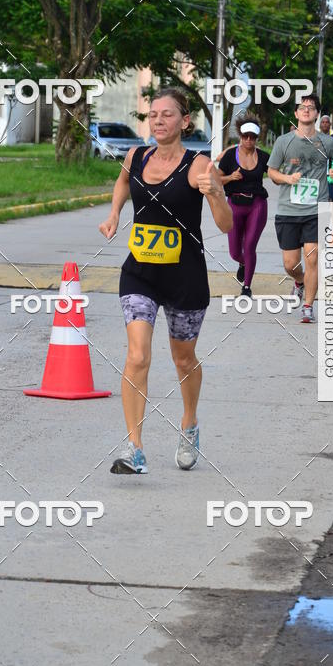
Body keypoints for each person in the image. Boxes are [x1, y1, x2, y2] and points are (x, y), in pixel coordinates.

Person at [98, 87, 232, 475]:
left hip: (185, 276)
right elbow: (124, 184)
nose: (158, 120)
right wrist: (113, 214)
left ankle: (189, 423)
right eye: (153, 114)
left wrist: (216, 195)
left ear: (185, 121)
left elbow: (225, 224)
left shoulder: (198, 165)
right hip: (140, 271)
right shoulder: (136, 156)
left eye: (167, 114)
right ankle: (134, 449)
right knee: (137, 355)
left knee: (183, 358)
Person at [267, 93, 333, 323]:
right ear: (296, 113)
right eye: (302, 107)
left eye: (311, 107)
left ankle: (308, 306)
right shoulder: (284, 142)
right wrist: (286, 178)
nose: (306, 110)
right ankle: (299, 281)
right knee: (291, 264)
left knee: (312, 258)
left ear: (317, 114)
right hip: (288, 210)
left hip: (317, 209)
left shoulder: (327, 142)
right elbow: (271, 171)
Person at [217, 113, 269, 297]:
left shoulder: (263, 157)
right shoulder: (230, 156)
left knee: (249, 247)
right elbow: (216, 179)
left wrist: (291, 170)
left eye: (252, 137)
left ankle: (247, 286)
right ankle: (243, 262)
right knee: (234, 252)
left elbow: (277, 172)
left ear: (256, 138)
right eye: (245, 136)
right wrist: (230, 177)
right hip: (234, 204)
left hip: (257, 204)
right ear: (240, 135)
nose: (248, 140)